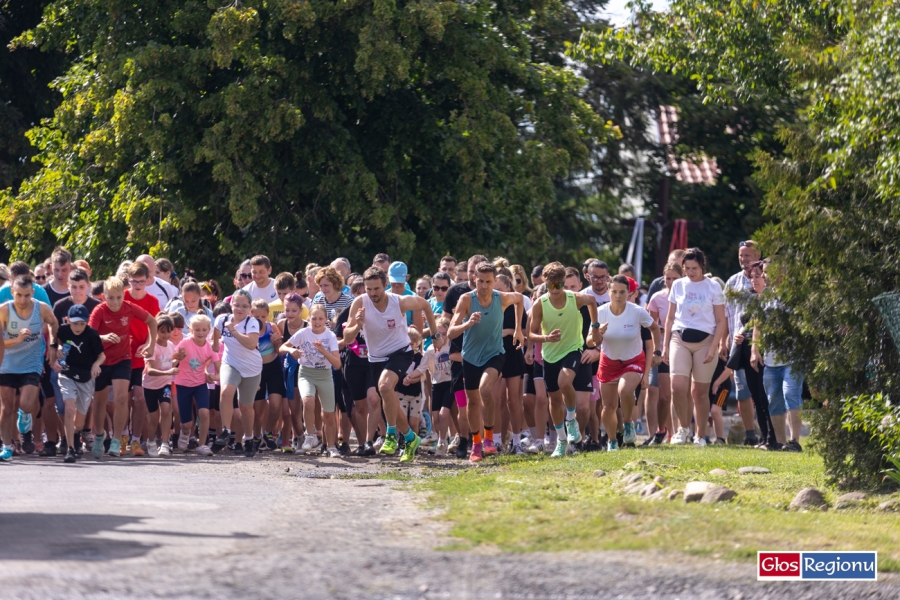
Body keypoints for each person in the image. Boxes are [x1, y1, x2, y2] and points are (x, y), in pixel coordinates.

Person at [342, 266, 442, 463]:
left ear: (385, 286)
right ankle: (410, 438)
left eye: (376, 289)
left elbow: (425, 305)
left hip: (401, 352)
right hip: (376, 358)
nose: (372, 294)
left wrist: (435, 334)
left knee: (384, 386)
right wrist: (358, 325)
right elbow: (347, 338)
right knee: (390, 399)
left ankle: (390, 436)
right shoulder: (359, 303)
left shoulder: (399, 302)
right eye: (368, 289)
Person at [447, 262, 525, 462]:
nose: (483, 286)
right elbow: (450, 332)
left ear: (494, 281)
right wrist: (468, 323)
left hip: (494, 354)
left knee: (485, 389)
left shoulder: (501, 298)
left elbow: (520, 300)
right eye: (480, 281)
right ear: (474, 279)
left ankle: (489, 438)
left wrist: (517, 329)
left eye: (488, 282)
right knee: (473, 403)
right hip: (471, 357)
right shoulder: (466, 299)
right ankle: (476, 444)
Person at [529, 263, 602, 458]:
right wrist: (545, 338)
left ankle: (571, 421)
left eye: (558, 285)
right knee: (554, 400)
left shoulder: (574, 299)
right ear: (546, 284)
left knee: (564, 381)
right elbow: (530, 333)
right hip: (550, 355)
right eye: (550, 286)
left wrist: (595, 327)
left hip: (573, 349)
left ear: (563, 283)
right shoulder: (540, 304)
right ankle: (561, 441)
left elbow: (592, 301)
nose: (555, 290)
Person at [661, 248, 726, 446]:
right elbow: (670, 318)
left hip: (705, 341)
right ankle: (682, 429)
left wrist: (714, 347)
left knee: (699, 391)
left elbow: (721, 321)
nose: (690, 272)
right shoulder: (678, 285)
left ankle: (700, 435)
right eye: (687, 268)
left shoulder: (713, 287)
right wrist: (664, 346)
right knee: (677, 386)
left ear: (702, 266)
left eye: (694, 268)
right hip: (679, 339)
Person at [88, 276, 158, 458]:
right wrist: (103, 338)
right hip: (101, 359)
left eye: (118, 297)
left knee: (121, 398)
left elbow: (152, 321)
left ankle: (117, 440)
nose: (115, 302)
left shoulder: (129, 307)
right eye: (110, 297)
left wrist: (151, 345)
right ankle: (99, 437)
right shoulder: (99, 310)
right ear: (104, 296)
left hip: (123, 358)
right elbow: (89, 334)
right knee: (100, 401)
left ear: (123, 295)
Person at [595, 275, 660, 451]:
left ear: (629, 293)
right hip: (608, 362)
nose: (618, 295)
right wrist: (597, 333)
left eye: (622, 292)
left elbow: (655, 328)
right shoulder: (600, 312)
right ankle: (612, 441)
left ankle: (628, 422)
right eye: (614, 291)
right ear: (608, 292)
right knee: (608, 406)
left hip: (633, 360)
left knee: (625, 390)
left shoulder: (637, 311)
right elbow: (588, 341)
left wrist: (657, 351)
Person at [0, 276, 56, 462]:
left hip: (32, 363)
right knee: (6, 408)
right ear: (11, 293)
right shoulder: (4, 310)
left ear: (32, 292)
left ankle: (24, 415)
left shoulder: (41, 308)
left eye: (26, 295)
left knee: (26, 403)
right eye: (18, 295)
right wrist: (16, 340)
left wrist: (54, 345)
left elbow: (54, 322)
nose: (23, 300)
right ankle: (7, 446)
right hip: (7, 364)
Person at [753, 260, 804, 452]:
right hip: (771, 360)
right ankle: (782, 444)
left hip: (793, 358)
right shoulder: (765, 295)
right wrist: (754, 349)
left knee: (791, 394)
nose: (765, 276)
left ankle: (795, 441)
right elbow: (758, 324)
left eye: (768, 272)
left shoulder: (795, 295)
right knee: (773, 400)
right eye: (764, 272)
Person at [281, 304, 342, 456]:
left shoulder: (330, 336)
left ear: (326, 320)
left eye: (320, 319)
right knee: (308, 401)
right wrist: (291, 350)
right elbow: (282, 347)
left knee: (328, 414)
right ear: (308, 319)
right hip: (306, 373)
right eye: (314, 318)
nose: (317, 322)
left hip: (325, 375)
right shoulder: (303, 333)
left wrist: (323, 351)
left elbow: (337, 364)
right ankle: (310, 436)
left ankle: (332, 447)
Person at [441, 254, 487, 459]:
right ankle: (463, 440)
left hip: (485, 353)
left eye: (476, 271)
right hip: (459, 353)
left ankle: (485, 440)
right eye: (470, 270)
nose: (472, 274)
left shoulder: (490, 294)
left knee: (482, 399)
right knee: (462, 404)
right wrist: (440, 328)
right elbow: (446, 319)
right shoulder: (455, 291)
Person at [211, 290, 263, 457]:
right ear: (231, 305)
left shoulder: (252, 322)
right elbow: (215, 341)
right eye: (236, 305)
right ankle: (226, 430)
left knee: (245, 407)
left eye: (244, 306)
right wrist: (213, 345)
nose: (240, 309)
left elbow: (251, 343)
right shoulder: (222, 319)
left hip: (251, 368)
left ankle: (249, 439)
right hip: (230, 363)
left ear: (250, 308)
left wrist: (232, 331)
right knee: (226, 392)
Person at [723, 240, 763, 446]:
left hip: (760, 344)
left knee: (763, 388)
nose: (743, 259)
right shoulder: (732, 282)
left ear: (758, 255)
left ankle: (768, 431)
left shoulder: (765, 279)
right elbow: (726, 315)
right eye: (741, 255)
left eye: (747, 255)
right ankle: (749, 434)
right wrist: (724, 341)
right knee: (742, 390)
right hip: (737, 345)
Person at [53, 304, 105, 463]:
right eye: (75, 323)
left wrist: (96, 365)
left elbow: (102, 356)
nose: (78, 327)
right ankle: (70, 449)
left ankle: (74, 436)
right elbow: (56, 344)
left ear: (87, 323)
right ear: (68, 321)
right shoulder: (62, 330)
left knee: (79, 423)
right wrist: (58, 351)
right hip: (67, 373)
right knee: (69, 408)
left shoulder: (92, 335)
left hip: (86, 377)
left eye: (82, 324)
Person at [334, 280, 380, 456]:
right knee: (359, 408)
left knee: (374, 399)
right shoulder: (347, 313)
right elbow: (342, 341)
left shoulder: (379, 310)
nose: (364, 297)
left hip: (373, 363)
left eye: (366, 292)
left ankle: (371, 439)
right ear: (353, 295)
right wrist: (358, 324)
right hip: (353, 365)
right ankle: (363, 444)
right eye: (359, 293)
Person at [124, 261, 161, 456]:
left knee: (140, 399)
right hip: (122, 354)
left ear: (147, 281)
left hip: (141, 355)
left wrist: (148, 344)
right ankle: (121, 437)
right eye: (133, 281)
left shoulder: (153, 301)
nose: (137, 285)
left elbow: (153, 324)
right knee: (123, 399)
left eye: (141, 281)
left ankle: (136, 440)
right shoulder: (121, 297)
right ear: (128, 280)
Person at [645, 261, 683, 445]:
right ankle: (659, 431)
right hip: (660, 350)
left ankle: (679, 431)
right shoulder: (657, 298)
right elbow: (649, 327)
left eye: (675, 278)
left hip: (681, 347)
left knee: (674, 393)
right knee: (661, 394)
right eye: (667, 278)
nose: (670, 281)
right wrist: (658, 332)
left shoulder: (686, 296)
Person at [492, 273, 528, 454]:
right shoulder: (487, 305)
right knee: (496, 399)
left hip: (513, 354)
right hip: (494, 355)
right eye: (493, 289)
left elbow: (524, 331)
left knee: (514, 401)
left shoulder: (516, 306)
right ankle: (496, 441)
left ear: (508, 289)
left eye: (499, 290)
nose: (495, 293)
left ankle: (517, 442)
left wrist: (508, 331)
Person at [142, 313, 180, 457]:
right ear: (155, 331)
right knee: (153, 417)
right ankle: (151, 441)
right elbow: (150, 370)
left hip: (165, 384)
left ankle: (164, 443)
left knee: (166, 409)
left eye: (168, 331)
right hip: (150, 385)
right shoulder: (152, 347)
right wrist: (169, 371)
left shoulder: (171, 345)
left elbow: (169, 362)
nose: (165, 335)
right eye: (162, 331)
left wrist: (178, 359)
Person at [250, 298, 285, 452]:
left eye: (263, 317)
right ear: (251, 315)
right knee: (258, 410)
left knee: (276, 404)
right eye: (257, 317)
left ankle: (269, 432)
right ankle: (256, 435)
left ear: (268, 316)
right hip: (256, 370)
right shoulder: (248, 331)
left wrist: (277, 343)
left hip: (273, 367)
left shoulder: (273, 327)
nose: (260, 320)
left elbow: (280, 351)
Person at [276, 293, 307, 452]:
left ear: (301, 310)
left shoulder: (308, 326)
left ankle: (313, 436)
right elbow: (279, 350)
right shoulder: (281, 324)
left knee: (304, 406)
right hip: (287, 370)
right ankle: (299, 437)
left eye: (294, 310)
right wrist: (287, 348)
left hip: (305, 370)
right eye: (287, 310)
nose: (290, 314)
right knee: (293, 409)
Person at [423, 317, 453, 455]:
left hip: (450, 383)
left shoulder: (452, 346)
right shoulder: (430, 349)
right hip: (436, 384)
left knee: (443, 414)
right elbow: (421, 367)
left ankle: (442, 442)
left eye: (445, 334)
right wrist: (410, 376)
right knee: (435, 416)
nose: (441, 337)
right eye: (438, 334)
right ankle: (441, 439)